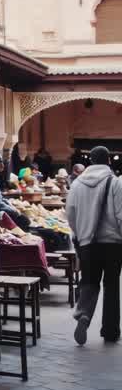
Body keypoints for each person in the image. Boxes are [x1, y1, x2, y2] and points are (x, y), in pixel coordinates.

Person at [65, 146, 122, 345]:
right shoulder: (115, 183)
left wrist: (80, 234)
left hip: (87, 243)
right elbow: (120, 215)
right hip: (113, 244)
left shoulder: (77, 184)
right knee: (111, 286)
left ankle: (83, 315)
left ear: (90, 162)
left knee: (89, 282)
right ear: (108, 161)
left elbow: (70, 214)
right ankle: (110, 330)